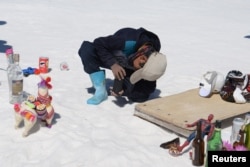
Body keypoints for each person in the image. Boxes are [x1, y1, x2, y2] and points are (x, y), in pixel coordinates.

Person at [78, 27, 167, 105]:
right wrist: (113, 64)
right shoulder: (126, 41)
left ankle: (125, 84)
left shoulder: (154, 58)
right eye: (139, 68)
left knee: (140, 96)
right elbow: (98, 43)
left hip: (128, 66)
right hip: (113, 58)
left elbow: (148, 84)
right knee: (87, 49)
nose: (137, 70)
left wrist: (124, 89)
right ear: (142, 58)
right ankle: (100, 90)